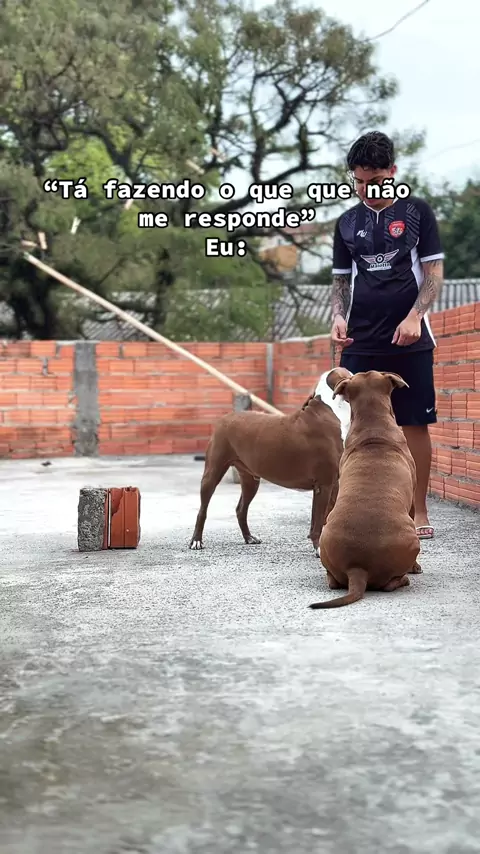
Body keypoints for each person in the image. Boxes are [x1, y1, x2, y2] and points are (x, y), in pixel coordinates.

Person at [330, 130, 444, 539]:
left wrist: (415, 316)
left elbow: (433, 273)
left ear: (392, 171)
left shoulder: (417, 212)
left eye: (375, 180)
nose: (367, 189)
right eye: (359, 181)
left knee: (413, 423)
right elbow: (341, 280)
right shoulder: (347, 222)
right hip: (361, 340)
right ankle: (349, 507)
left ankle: (417, 510)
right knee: (351, 427)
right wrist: (338, 317)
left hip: (409, 340)